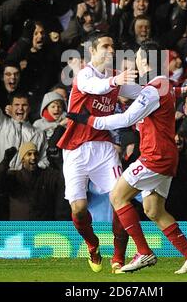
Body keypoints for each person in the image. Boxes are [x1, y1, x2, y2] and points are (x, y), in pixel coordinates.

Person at [67, 41, 187, 274]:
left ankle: (143, 252)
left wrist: (89, 120)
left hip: (154, 156)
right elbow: (166, 92)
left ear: (147, 61)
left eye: (139, 58)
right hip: (168, 157)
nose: (135, 63)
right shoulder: (163, 85)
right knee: (153, 210)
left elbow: (125, 120)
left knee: (117, 196)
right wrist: (183, 91)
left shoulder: (153, 89)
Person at [57, 31, 141, 273]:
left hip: (104, 147)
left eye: (113, 46)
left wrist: (175, 92)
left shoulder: (116, 78)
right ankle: (92, 245)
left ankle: (118, 257)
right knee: (79, 208)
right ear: (92, 51)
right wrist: (115, 82)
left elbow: (145, 93)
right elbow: (94, 86)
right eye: (105, 46)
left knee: (121, 200)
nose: (111, 50)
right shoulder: (84, 75)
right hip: (75, 149)